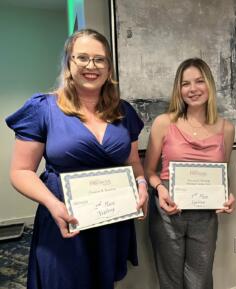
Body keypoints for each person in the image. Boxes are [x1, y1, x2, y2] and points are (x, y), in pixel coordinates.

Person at [5, 29, 148, 289]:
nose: (91, 66)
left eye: (100, 59)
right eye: (82, 58)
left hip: (109, 220)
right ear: (69, 63)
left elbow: (133, 163)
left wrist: (141, 185)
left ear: (108, 67)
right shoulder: (44, 108)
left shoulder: (123, 111)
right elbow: (21, 171)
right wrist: (52, 203)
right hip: (64, 217)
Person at [144, 58, 235, 289]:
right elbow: (149, 171)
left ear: (209, 86)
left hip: (205, 216)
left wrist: (228, 196)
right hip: (167, 211)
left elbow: (221, 175)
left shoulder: (226, 128)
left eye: (199, 81)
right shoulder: (164, 123)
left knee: (200, 282)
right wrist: (160, 189)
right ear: (179, 89)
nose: (192, 89)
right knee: (170, 281)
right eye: (185, 84)